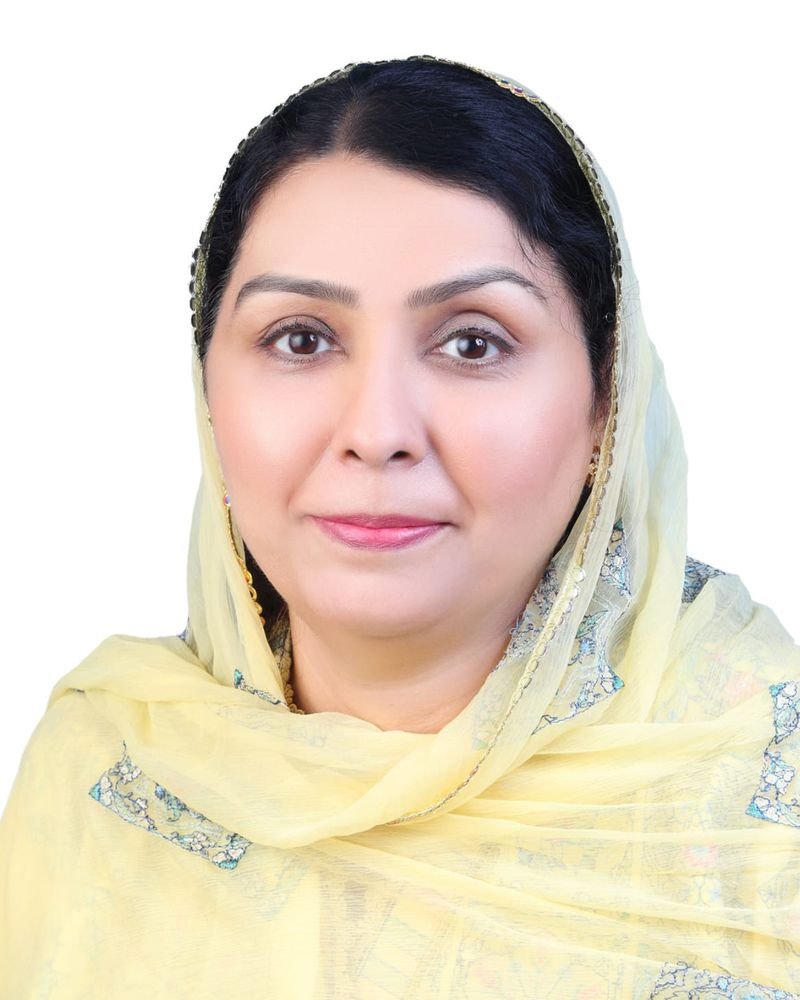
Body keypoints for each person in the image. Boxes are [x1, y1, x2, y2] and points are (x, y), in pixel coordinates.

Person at [1, 54, 798, 998]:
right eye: (301, 339)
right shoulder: (108, 769)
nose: (378, 432)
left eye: (473, 342)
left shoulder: (760, 790)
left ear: (607, 406)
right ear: (209, 395)